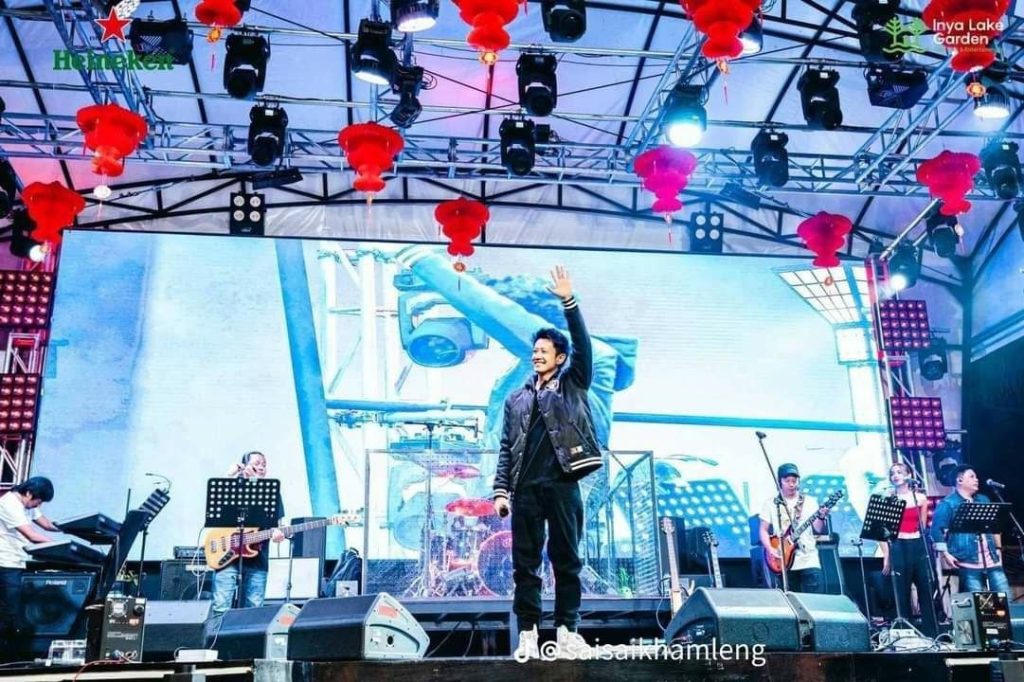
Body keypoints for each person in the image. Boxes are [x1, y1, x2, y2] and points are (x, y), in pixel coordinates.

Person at [492, 266, 603, 660]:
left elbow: (584, 345)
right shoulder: (516, 399)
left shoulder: (573, 383)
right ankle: (528, 633)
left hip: (562, 484)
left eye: (544, 351)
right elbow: (507, 447)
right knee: (525, 566)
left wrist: (569, 302)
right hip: (525, 491)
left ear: (560, 357)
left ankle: (568, 631)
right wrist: (501, 490)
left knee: (567, 562)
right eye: (534, 350)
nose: (537, 354)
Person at [211, 452, 286, 614]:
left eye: (264, 465)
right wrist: (229, 475)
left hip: (258, 559)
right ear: (244, 466)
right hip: (227, 555)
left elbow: (278, 525)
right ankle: (217, 633)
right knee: (221, 606)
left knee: (254, 609)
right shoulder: (232, 487)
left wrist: (279, 534)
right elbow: (216, 502)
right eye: (257, 463)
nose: (261, 467)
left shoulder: (271, 492)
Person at [0, 477, 59, 661]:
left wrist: (73, 527)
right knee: (8, 612)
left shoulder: (27, 503)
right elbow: (32, 535)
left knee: (13, 612)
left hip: (17, 562)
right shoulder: (9, 504)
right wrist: (61, 546)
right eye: (38, 501)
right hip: (5, 563)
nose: (38, 506)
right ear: (28, 493)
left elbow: (46, 524)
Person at [930, 464, 1009, 594]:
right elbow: (936, 530)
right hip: (967, 562)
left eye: (976, 477)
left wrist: (998, 550)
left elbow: (994, 527)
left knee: (1005, 599)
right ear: (959, 480)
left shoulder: (983, 499)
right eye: (972, 476)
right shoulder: (948, 503)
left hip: (992, 561)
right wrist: (946, 554)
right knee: (977, 601)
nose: (976, 480)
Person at [881, 462, 938, 636]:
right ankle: (906, 632)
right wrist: (887, 555)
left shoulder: (920, 498)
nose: (896, 475)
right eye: (893, 473)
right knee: (902, 591)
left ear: (908, 475)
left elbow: (922, 526)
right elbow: (882, 532)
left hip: (918, 544)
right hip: (898, 545)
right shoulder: (888, 500)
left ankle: (931, 633)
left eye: (899, 472)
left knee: (925, 588)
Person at [758, 463, 831, 593]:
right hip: (784, 561)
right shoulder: (771, 503)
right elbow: (763, 530)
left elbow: (818, 529)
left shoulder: (810, 502)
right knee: (790, 601)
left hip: (809, 559)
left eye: (794, 481)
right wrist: (770, 549)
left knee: (814, 600)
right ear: (779, 482)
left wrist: (821, 517)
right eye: (787, 481)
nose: (791, 484)